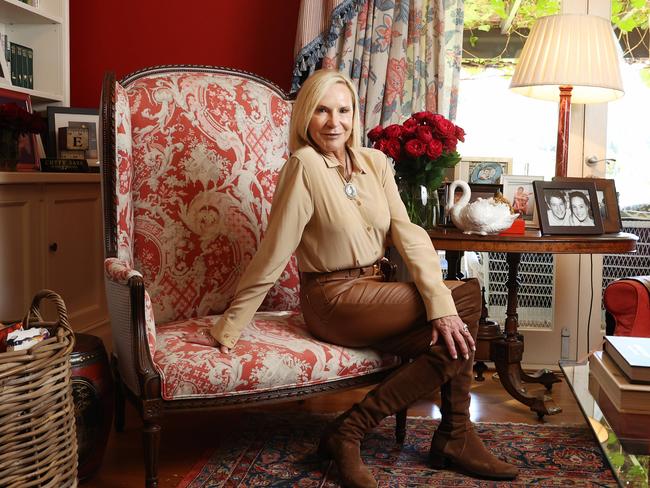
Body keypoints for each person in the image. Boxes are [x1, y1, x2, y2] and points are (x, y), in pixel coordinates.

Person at [186, 69, 518, 487]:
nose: (334, 122)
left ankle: (449, 434)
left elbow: (409, 235)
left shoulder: (376, 163)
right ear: (306, 116)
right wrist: (228, 327)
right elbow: (274, 252)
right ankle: (369, 431)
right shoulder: (303, 166)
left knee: (456, 332)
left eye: (343, 110)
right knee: (466, 300)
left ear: (355, 114)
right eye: (322, 111)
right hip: (332, 299)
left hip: (376, 294)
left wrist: (440, 306)